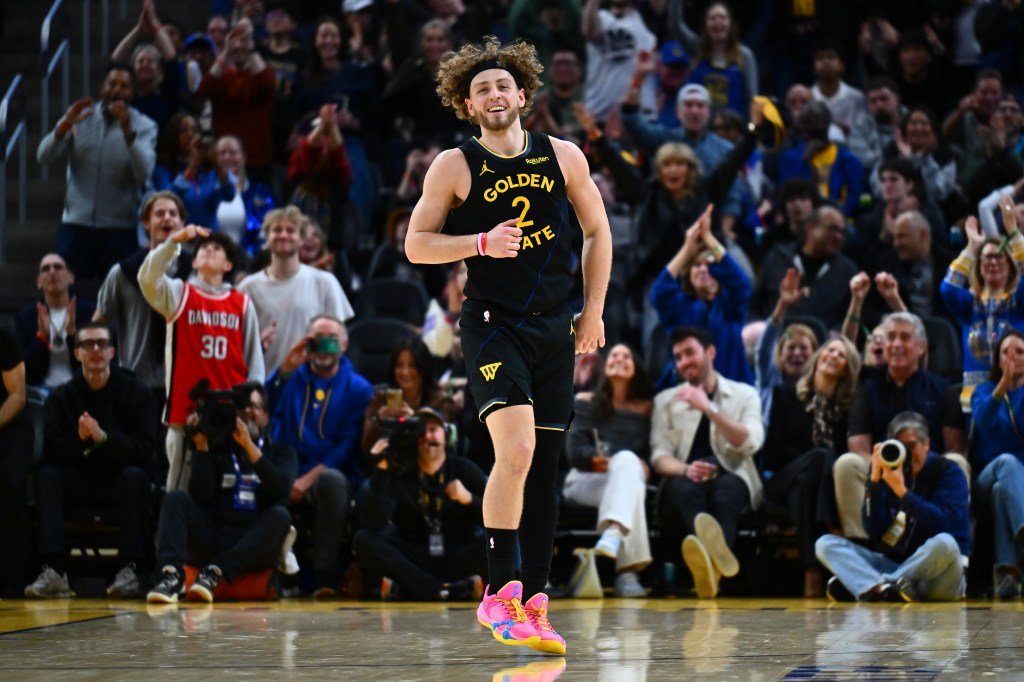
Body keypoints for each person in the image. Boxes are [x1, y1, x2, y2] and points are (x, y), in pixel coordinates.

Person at [405, 36, 612, 655]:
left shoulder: (564, 156)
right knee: (517, 449)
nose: (493, 95)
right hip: (493, 325)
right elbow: (416, 244)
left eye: (502, 85)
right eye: (480, 89)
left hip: (555, 327)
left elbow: (598, 231)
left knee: (544, 468)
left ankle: (536, 602)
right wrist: (479, 244)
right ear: (467, 106)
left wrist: (593, 311)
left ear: (522, 95)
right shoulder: (454, 165)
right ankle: (498, 592)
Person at [25, 323, 159, 599]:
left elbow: (145, 449)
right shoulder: (62, 397)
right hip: (79, 483)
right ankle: (54, 571)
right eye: (88, 344)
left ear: (112, 352)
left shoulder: (136, 392)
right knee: (46, 477)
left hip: (120, 483)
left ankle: (130, 570)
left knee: (137, 477)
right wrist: (79, 437)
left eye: (102, 344)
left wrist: (103, 438)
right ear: (76, 353)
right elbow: (50, 451)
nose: (96, 349)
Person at [139, 224, 265, 491]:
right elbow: (147, 279)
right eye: (204, 248)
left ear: (228, 265)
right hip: (186, 417)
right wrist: (173, 242)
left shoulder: (242, 303)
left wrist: (253, 406)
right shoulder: (178, 293)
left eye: (217, 248)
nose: (209, 250)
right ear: (194, 261)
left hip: (231, 417)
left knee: (229, 495)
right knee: (180, 495)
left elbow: (254, 360)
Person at [146, 383, 296, 603]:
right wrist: (202, 446)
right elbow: (201, 496)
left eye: (254, 406)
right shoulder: (217, 446)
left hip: (250, 545)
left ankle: (216, 571)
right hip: (212, 537)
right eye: (241, 408)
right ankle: (171, 576)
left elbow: (281, 491)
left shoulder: (281, 451)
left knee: (281, 517)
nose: (247, 412)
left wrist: (248, 446)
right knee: (175, 499)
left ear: (266, 416)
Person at [649, 326, 763, 599]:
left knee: (726, 493)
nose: (684, 361)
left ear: (710, 352)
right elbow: (659, 456)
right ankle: (715, 571)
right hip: (684, 475)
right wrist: (685, 469)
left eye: (690, 352)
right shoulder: (665, 400)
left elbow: (750, 441)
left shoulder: (745, 394)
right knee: (686, 491)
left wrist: (709, 408)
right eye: (678, 357)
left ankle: (710, 569)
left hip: (732, 472)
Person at [832, 312, 968, 540]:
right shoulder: (866, 389)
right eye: (891, 337)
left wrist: (919, 469)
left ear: (921, 347)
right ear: (883, 345)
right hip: (880, 471)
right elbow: (858, 447)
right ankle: (862, 546)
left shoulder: (943, 389)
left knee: (958, 462)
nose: (896, 344)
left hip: (928, 473)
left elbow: (955, 448)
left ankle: (951, 543)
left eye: (905, 337)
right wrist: (886, 471)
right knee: (847, 463)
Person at [266, 315, 372, 597]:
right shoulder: (292, 378)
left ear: (345, 345)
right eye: (317, 340)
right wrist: (284, 370)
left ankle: (325, 576)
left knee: (331, 481)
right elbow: (263, 407)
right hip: (290, 466)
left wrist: (305, 482)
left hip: (333, 473)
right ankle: (269, 573)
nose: (324, 348)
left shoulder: (358, 387)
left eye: (331, 341)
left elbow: (347, 446)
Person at [816, 412, 970, 603]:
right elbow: (875, 533)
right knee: (825, 544)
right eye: (901, 447)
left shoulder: (949, 472)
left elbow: (943, 523)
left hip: (939, 575)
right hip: (898, 566)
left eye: (912, 445)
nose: (907, 453)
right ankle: (884, 589)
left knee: (945, 543)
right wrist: (874, 483)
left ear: (927, 444)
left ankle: (870, 584)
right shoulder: (890, 472)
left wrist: (904, 494)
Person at [36, 63, 158, 280]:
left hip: (119, 229)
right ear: (103, 87)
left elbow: (144, 172)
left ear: (133, 92)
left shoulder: (145, 125)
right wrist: (64, 126)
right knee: (71, 291)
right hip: (75, 224)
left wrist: (128, 132)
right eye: (112, 83)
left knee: (114, 295)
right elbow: (43, 157)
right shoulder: (80, 117)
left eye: (124, 86)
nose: (117, 90)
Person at [356, 407, 488, 601]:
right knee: (363, 539)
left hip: (456, 553)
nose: (427, 436)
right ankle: (445, 590)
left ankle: (412, 590)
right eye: (420, 431)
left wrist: (469, 499)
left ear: (447, 434)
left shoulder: (465, 469)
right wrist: (382, 468)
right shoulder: (400, 472)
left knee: (494, 540)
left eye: (433, 429)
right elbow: (374, 522)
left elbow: (495, 520)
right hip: (414, 557)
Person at [763, 337, 861, 597]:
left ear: (846, 370)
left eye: (841, 355)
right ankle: (831, 528)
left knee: (807, 482)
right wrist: (811, 461)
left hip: (810, 488)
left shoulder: (847, 410)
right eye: (830, 349)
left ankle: (811, 569)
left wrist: (814, 469)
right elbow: (773, 451)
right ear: (818, 356)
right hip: (783, 479)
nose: (833, 355)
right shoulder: (785, 394)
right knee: (819, 457)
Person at [564, 343, 654, 597]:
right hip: (585, 480)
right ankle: (627, 573)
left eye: (627, 356)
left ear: (636, 367)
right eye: (614, 355)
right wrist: (604, 461)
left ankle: (614, 533)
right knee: (627, 470)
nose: (620, 359)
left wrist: (642, 466)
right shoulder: (585, 402)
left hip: (629, 479)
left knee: (628, 474)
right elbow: (574, 452)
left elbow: (651, 455)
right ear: (605, 366)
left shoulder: (647, 409)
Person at [93, 192, 191, 400]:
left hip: (185, 382)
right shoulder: (122, 272)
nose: (167, 218)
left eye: (173, 214)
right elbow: (97, 323)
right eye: (160, 214)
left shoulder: (195, 272)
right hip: (134, 383)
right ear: (146, 223)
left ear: (182, 223)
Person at [237, 206, 354, 374]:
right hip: (262, 381)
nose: (284, 235)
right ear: (267, 238)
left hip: (311, 381)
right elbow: (236, 342)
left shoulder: (325, 282)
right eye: (277, 230)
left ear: (301, 239)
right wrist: (256, 344)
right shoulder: (247, 287)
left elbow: (338, 340)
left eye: (290, 230)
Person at [649, 206, 753, 387]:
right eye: (697, 265)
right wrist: (687, 247)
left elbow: (741, 283)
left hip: (731, 390)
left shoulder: (730, 304)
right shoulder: (680, 305)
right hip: (685, 389)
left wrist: (709, 238)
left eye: (710, 265)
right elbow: (658, 293)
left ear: (722, 273)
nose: (703, 269)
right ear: (688, 274)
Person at [942, 204, 1024, 408]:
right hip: (976, 399)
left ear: (1010, 266)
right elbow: (948, 289)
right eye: (987, 257)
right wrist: (971, 248)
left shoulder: (1017, 302)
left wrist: (1014, 235)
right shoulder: (969, 305)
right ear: (978, 267)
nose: (993, 262)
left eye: (999, 257)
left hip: (1017, 397)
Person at [971, 329, 1024, 598]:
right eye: (1006, 352)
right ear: (997, 359)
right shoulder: (983, 390)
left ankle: (1007, 576)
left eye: (1020, 352)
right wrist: (1003, 384)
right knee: (1006, 463)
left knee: (1002, 490)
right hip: (986, 473)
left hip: (1017, 483)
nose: (1013, 357)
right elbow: (983, 420)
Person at [750, 205, 858, 330]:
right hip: (773, 336)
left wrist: (835, 335)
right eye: (832, 229)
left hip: (823, 340)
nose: (838, 236)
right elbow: (754, 304)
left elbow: (849, 316)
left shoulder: (847, 271)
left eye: (842, 232)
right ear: (811, 228)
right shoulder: (777, 258)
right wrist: (758, 331)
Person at [196, 18, 275, 180]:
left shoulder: (260, 74)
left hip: (256, 158)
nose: (239, 46)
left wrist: (250, 49)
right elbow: (203, 90)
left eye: (244, 40)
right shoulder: (222, 77)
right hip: (224, 157)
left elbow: (268, 86)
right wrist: (226, 51)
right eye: (235, 40)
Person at [15, 254, 95, 391]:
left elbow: (95, 363)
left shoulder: (89, 313)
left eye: (58, 267)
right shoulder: (26, 317)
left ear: (71, 277)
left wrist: (72, 335)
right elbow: (25, 372)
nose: (52, 271)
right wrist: (41, 336)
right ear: (39, 282)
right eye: (45, 269)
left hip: (80, 389)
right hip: (40, 391)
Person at [668, 0, 758, 118]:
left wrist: (751, 126)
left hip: (733, 126)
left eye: (722, 17)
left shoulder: (744, 55)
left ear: (731, 24)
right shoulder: (696, 49)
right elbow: (676, 25)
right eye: (712, 18)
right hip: (700, 124)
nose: (717, 22)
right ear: (705, 25)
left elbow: (753, 99)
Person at [580, 0, 655, 122]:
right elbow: (589, 32)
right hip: (599, 113)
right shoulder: (599, 17)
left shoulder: (646, 17)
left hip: (639, 114)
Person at [0, 327, 33, 597]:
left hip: (8, 427)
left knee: (7, 481)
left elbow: (17, 396)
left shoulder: (4, 339)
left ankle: (15, 576)